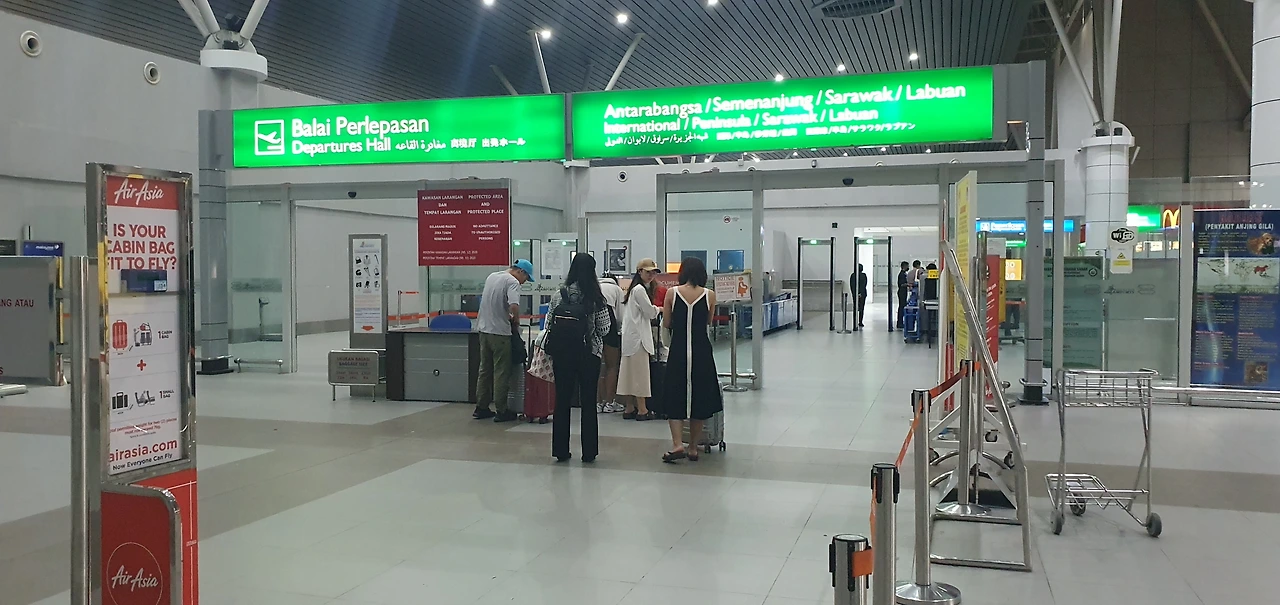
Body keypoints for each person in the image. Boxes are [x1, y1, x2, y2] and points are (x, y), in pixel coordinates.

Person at [546, 254, 612, 462]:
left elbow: (548, 325)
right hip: (588, 355)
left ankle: (560, 450)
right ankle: (589, 452)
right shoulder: (596, 298)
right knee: (589, 402)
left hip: (562, 354)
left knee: (562, 400)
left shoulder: (559, 295)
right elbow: (604, 329)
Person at [661, 257, 724, 463]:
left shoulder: (672, 293)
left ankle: (677, 444)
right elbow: (709, 321)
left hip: (678, 350)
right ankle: (694, 447)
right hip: (701, 351)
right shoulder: (709, 295)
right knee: (700, 396)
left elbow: (667, 322)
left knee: (675, 394)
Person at [474, 259, 533, 422]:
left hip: (484, 330)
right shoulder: (512, 282)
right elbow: (513, 305)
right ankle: (501, 410)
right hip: (500, 333)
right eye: (526, 278)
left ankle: (481, 407)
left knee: (485, 369)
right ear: (521, 271)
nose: (524, 282)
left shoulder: (492, 276)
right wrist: (516, 320)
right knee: (501, 371)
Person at [618, 258, 662, 421]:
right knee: (640, 374)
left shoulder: (633, 289)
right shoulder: (640, 290)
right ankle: (642, 409)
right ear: (640, 271)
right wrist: (659, 309)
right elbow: (649, 312)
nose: (651, 275)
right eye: (648, 272)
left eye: (653, 272)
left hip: (630, 338)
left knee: (628, 374)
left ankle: (629, 407)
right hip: (639, 339)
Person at [596, 275, 625, 414]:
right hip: (610, 323)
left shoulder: (594, 287)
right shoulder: (616, 289)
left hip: (594, 325)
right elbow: (620, 315)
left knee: (597, 367)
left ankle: (598, 402)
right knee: (612, 366)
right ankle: (609, 402)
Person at [896, 261, 910, 328]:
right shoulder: (902, 274)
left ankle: (901, 322)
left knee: (902, 306)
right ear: (904, 266)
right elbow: (901, 284)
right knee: (901, 307)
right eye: (907, 266)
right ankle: (900, 323)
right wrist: (908, 284)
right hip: (902, 292)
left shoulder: (904, 274)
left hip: (903, 292)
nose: (908, 267)